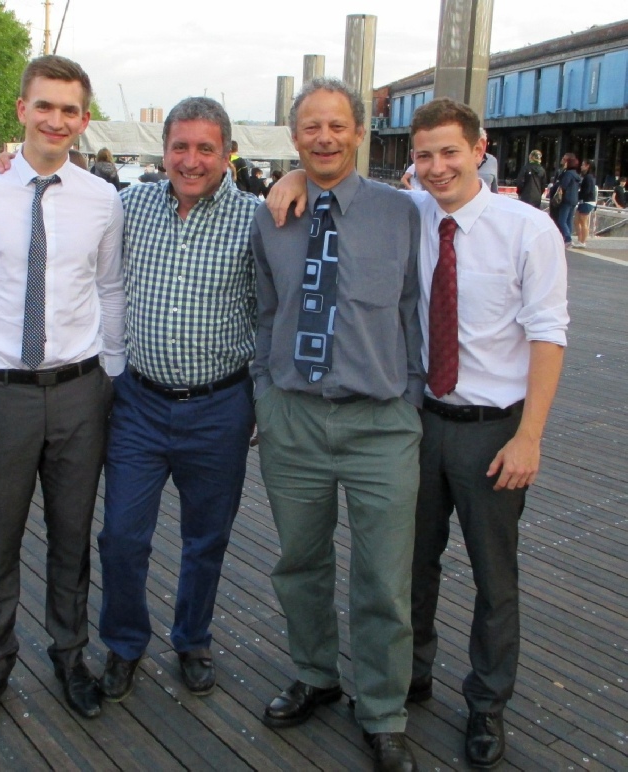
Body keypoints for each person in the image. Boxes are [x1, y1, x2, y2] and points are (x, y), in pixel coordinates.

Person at [0, 54, 125, 737]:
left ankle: (70, 657)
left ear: (83, 119)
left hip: (80, 392)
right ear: (21, 110)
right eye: (44, 105)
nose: (56, 119)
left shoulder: (102, 198)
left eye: (70, 109)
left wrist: (114, 373)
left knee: (73, 539)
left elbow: (108, 290)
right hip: (1, 395)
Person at [253, 78, 424, 772]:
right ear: (294, 138)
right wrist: (265, 391)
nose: (323, 137)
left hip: (381, 423)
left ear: (359, 133)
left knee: (383, 579)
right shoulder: (272, 213)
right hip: (293, 418)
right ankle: (316, 674)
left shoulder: (402, 212)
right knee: (299, 562)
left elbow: (416, 307)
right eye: (309, 128)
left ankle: (383, 711)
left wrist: (408, 398)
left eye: (336, 125)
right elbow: (264, 308)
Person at [403, 98, 568, 769]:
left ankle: (486, 703)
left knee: (493, 577)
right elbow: (338, 191)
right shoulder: (408, 213)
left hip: (491, 431)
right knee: (407, 565)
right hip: (416, 424)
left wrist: (528, 437)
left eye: (448, 151)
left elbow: (547, 335)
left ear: (479, 148)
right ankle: (410, 674)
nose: (435, 167)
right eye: (422, 155)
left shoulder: (526, 230)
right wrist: (294, 179)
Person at [97, 97, 259, 704]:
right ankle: (123, 643)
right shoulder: (126, 205)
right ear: (163, 150)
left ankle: (192, 637)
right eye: (180, 147)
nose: (191, 161)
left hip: (219, 406)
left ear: (227, 153)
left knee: (206, 537)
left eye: (206, 148)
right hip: (138, 403)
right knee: (121, 537)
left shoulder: (257, 218)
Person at [552, 153, 581, 246]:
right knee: (568, 220)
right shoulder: (576, 174)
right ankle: (568, 237)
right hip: (574, 199)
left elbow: (563, 186)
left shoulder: (567, 174)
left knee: (562, 220)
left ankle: (567, 238)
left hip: (566, 199)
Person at [573, 159, 597, 248]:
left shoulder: (588, 177)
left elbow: (587, 191)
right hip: (584, 201)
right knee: (576, 221)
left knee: (583, 222)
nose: (581, 166)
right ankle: (580, 239)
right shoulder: (588, 177)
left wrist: (578, 196)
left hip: (587, 201)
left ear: (588, 166)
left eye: (583, 165)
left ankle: (583, 241)